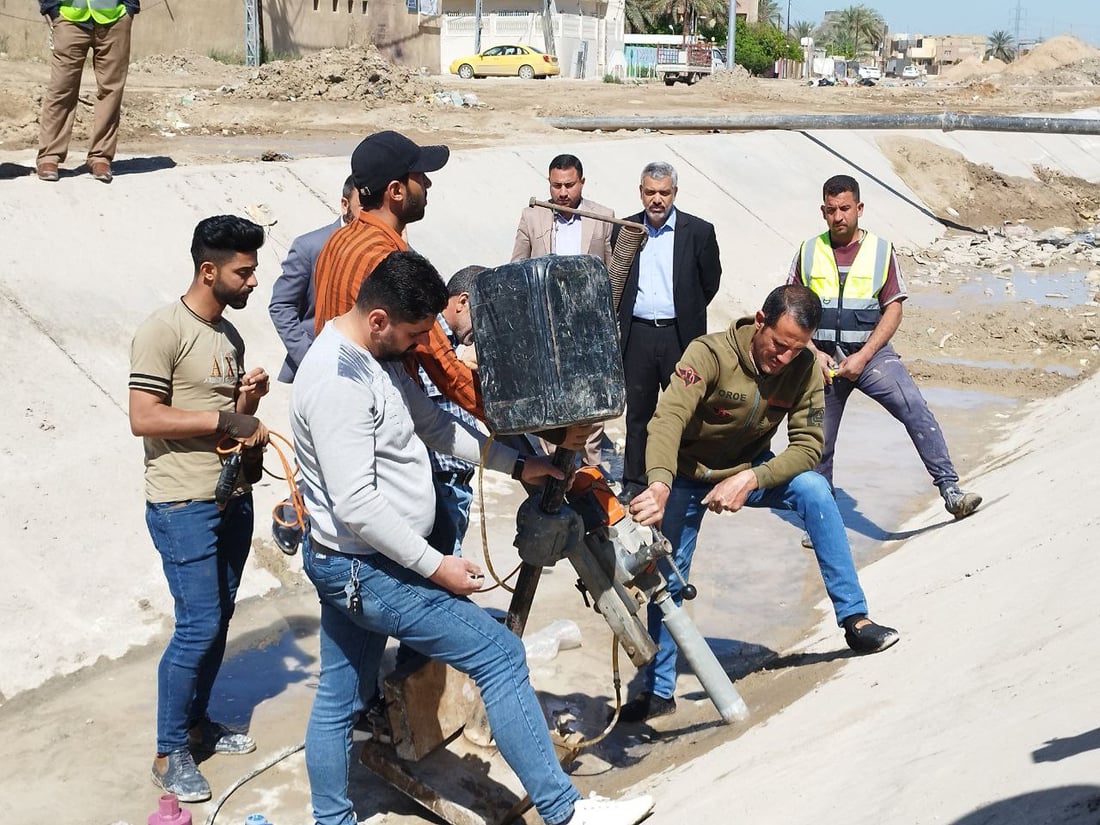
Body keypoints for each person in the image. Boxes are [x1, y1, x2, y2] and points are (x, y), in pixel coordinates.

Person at [291, 249, 655, 825]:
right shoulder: (337, 381)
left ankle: (330, 818)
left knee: (340, 694)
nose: (419, 346)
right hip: (366, 569)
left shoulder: (374, 356)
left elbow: (432, 425)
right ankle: (566, 814)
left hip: (363, 564)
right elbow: (357, 505)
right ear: (380, 318)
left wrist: (516, 465)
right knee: (500, 653)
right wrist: (437, 566)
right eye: (414, 334)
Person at [624, 285, 900, 723]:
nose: (784, 357)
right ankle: (659, 689)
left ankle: (855, 620)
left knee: (813, 489)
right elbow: (668, 418)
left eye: (796, 349)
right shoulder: (708, 354)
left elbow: (808, 446)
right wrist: (658, 484)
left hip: (750, 470)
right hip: (685, 476)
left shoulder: (805, 366)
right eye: (778, 344)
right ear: (759, 321)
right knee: (669, 577)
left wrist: (751, 477)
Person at [128, 215, 271, 801]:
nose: (253, 281)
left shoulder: (229, 338)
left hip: (231, 497)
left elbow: (227, 416)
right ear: (208, 271)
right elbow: (144, 417)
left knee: (219, 620)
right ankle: (169, 752)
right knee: (198, 626)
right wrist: (224, 417)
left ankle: (197, 724)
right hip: (181, 503)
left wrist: (245, 401)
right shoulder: (162, 330)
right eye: (244, 271)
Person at [788, 174, 981, 519]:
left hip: (871, 355)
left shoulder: (880, 250)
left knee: (914, 409)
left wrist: (863, 356)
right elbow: (789, 308)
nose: (838, 217)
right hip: (822, 361)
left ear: (859, 208)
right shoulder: (808, 251)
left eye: (845, 208)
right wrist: (812, 353)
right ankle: (822, 519)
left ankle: (950, 489)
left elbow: (893, 307)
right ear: (823, 211)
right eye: (831, 210)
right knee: (817, 441)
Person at [615, 161, 722, 501]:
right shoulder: (625, 229)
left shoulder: (699, 232)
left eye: (664, 193)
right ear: (641, 192)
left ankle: (684, 475)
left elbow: (710, 282)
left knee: (685, 410)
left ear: (675, 193)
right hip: (640, 336)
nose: (657, 200)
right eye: (650, 192)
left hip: (681, 336)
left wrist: (687, 310)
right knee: (639, 414)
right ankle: (635, 480)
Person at [511, 153, 614, 469]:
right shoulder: (533, 216)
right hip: (547, 325)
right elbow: (517, 267)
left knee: (592, 396)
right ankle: (553, 465)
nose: (563, 192)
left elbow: (611, 270)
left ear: (582, 181)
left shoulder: (603, 217)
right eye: (556, 185)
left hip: (588, 324)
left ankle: (590, 469)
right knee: (551, 396)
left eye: (569, 185)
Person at [268, 176, 361, 383]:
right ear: (345, 204)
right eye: (363, 204)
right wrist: (309, 356)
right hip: (317, 373)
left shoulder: (385, 247)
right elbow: (281, 305)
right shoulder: (310, 246)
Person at [419, 265, 484, 557]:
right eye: (482, 315)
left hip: (455, 485)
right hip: (436, 485)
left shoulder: (457, 348)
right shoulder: (429, 343)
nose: (484, 328)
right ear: (462, 302)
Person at [36, 0, 139, 183]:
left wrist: (129, 9)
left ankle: (101, 157)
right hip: (68, 16)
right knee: (61, 88)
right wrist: (51, 8)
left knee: (111, 90)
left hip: (115, 16)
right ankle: (49, 157)